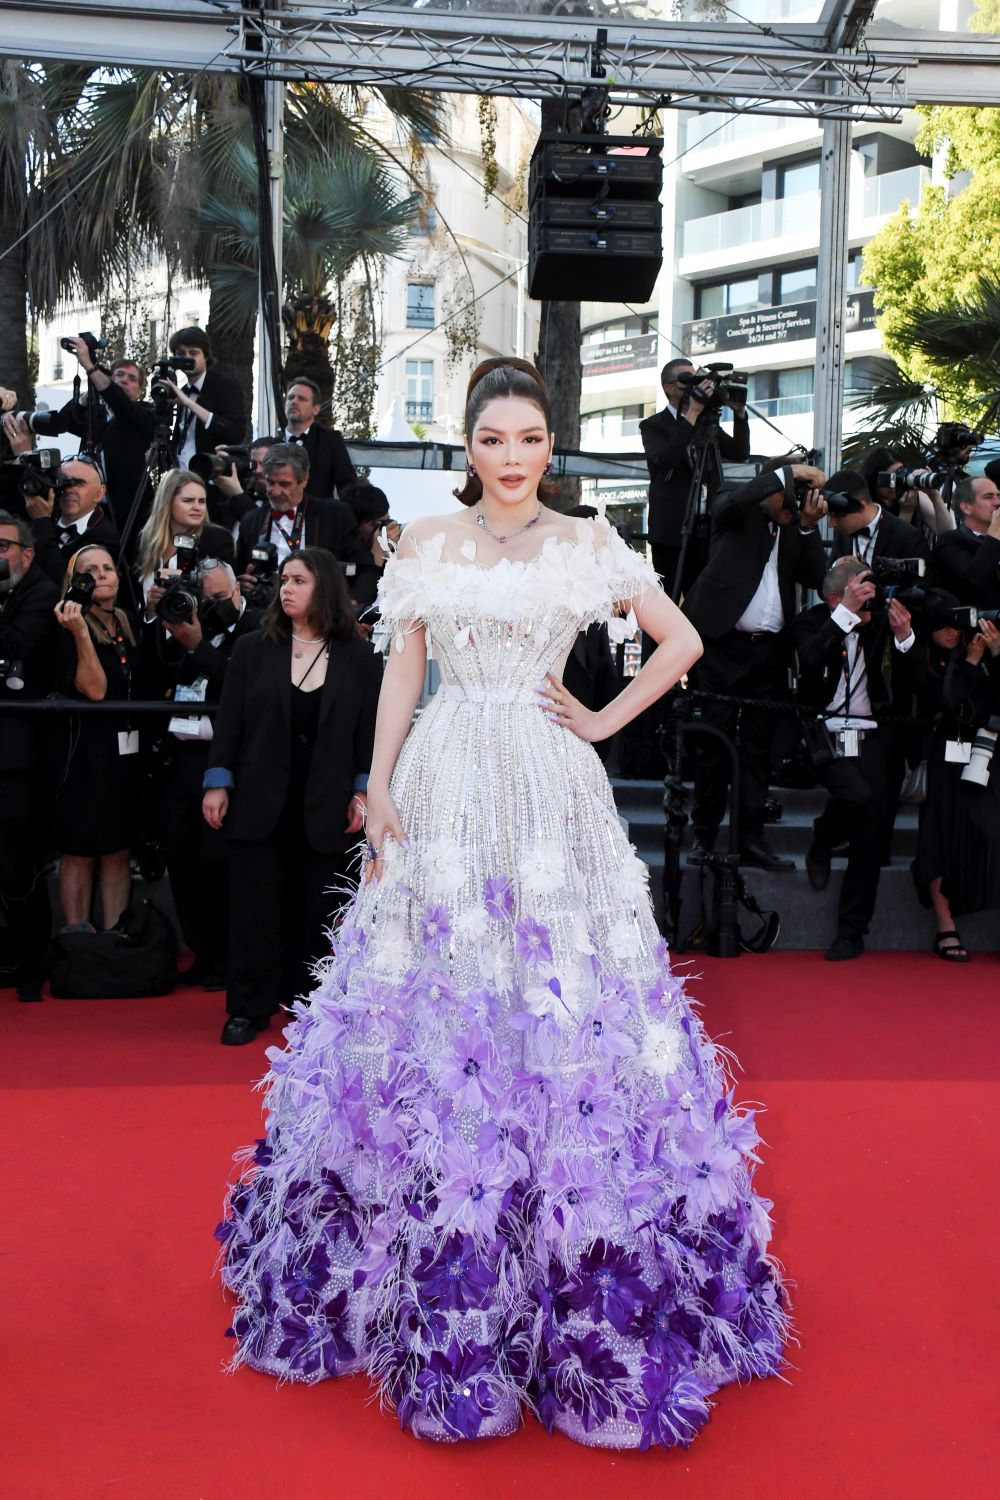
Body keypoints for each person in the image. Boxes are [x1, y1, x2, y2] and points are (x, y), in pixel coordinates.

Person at [215, 358, 790, 1449]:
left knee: (561, 993)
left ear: (551, 444)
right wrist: (377, 784)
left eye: (530, 438)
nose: (513, 457)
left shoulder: (588, 542)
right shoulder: (425, 544)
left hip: (545, 780)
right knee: (436, 991)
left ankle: (576, 1256)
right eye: (493, 440)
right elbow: (400, 669)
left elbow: (684, 640)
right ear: (467, 447)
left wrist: (604, 720)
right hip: (442, 775)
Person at [203, 548, 381, 1046]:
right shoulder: (254, 648)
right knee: (253, 907)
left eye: (298, 580)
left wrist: (362, 790)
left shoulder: (360, 656)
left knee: (317, 907)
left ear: (323, 588)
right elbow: (230, 721)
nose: (286, 588)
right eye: (284, 580)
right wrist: (218, 781)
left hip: (325, 800)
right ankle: (247, 1007)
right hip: (258, 798)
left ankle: (310, 1003)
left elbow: (369, 731)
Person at [682, 460, 828, 869]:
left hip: (770, 653)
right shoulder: (735, 505)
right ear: (771, 487)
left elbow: (818, 577)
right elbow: (736, 499)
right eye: (786, 490)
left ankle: (749, 838)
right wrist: (792, 472)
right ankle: (705, 835)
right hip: (723, 644)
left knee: (758, 748)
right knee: (715, 740)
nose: (791, 501)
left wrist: (807, 527)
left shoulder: (794, 527)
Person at [793, 555, 918, 961]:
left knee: (872, 832)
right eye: (858, 593)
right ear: (835, 597)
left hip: (875, 736)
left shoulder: (880, 621)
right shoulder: (813, 623)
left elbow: (909, 684)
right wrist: (844, 616)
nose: (868, 600)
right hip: (825, 734)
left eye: (869, 593)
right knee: (856, 798)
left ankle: (851, 932)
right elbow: (808, 664)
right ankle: (824, 837)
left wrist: (904, 638)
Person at [151, 559, 262, 991]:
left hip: (228, 762)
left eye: (220, 598)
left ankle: (228, 958)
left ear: (237, 592)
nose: (213, 607)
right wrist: (166, 625)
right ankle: (201, 951)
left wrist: (200, 645)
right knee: (182, 861)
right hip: (181, 758)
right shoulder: (182, 623)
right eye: (206, 599)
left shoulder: (255, 628)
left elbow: (238, 687)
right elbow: (153, 672)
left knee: (218, 862)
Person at [51, 545, 142, 931]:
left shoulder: (125, 620)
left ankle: (114, 943)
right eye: (91, 570)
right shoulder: (66, 625)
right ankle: (77, 943)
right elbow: (95, 690)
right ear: (75, 582)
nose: (103, 574)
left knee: (118, 851)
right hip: (83, 753)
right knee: (81, 850)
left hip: (124, 753)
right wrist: (80, 632)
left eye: (108, 568)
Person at [910, 591, 1000, 960]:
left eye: (954, 624)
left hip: (986, 752)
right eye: (941, 626)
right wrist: (968, 664)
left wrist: (993, 655)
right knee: (940, 839)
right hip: (945, 754)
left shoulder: (975, 651)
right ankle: (946, 927)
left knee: (991, 831)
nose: (950, 632)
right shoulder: (925, 659)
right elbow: (949, 705)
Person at [0, 509, 59, 1000]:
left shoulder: (40, 591)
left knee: (17, 857)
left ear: (26, 551)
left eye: (2, 547)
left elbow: (18, 644)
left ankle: (29, 963)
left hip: (20, 753)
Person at [639, 357, 750, 599]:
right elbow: (666, 461)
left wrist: (740, 415)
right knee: (667, 601)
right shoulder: (653, 425)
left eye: (695, 378)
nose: (693, 386)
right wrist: (691, 415)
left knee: (703, 601)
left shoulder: (705, 424)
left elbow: (739, 452)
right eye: (686, 380)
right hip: (671, 533)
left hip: (707, 530)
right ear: (669, 388)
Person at [233, 442, 370, 593]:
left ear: (304, 479)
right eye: (270, 482)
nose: (275, 491)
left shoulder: (335, 515)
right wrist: (242, 584)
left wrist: (352, 604)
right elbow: (238, 574)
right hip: (266, 612)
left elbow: (365, 570)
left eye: (284, 484)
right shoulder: (251, 521)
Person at [135, 468, 234, 615]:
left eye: (202, 501)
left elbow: (221, 597)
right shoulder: (146, 540)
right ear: (167, 502)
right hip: (155, 633)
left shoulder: (216, 539)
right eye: (188, 501)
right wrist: (150, 611)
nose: (197, 507)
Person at [25, 454, 120, 585]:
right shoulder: (43, 513)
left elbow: (65, 579)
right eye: (63, 481)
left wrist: (41, 522)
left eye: (79, 483)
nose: (69, 489)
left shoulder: (104, 535)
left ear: (99, 493)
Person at [159, 326, 246, 468]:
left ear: (205, 356)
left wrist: (190, 404)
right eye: (181, 354)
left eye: (193, 353)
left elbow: (236, 433)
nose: (187, 358)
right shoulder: (182, 392)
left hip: (209, 475)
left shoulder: (224, 385)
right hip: (181, 475)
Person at [828, 467, 933, 569]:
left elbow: (922, 584)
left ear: (861, 507)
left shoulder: (909, 538)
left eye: (837, 515)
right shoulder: (842, 534)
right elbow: (826, 579)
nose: (831, 523)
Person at [930, 475, 1000, 611]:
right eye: (988, 497)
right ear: (966, 507)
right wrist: (994, 535)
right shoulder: (951, 541)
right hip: (978, 625)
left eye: (998, 495)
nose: (997, 502)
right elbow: (972, 580)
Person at [280, 377, 356, 500]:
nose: (294, 402)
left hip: (319, 516)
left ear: (315, 409)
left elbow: (347, 484)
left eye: (302, 399)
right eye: (290, 397)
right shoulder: (273, 443)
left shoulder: (330, 440)